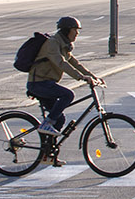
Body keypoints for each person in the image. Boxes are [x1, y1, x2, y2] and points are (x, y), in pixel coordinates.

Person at [27, 16, 103, 165]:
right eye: (75, 30)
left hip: (46, 83)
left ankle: (47, 155)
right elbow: (61, 63)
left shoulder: (63, 44)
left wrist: (94, 77)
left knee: (60, 119)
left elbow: (74, 62)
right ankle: (46, 123)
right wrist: (80, 77)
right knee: (68, 94)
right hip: (38, 83)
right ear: (67, 30)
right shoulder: (52, 43)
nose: (77, 34)